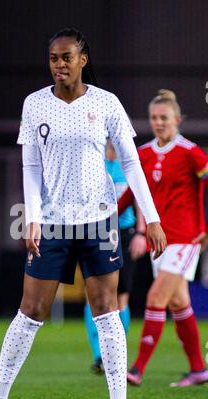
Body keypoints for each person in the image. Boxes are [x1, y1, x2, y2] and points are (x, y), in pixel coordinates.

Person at [0, 28, 166, 399]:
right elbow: (30, 166)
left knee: (107, 309)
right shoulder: (34, 105)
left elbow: (132, 164)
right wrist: (31, 217)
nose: (59, 65)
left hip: (100, 222)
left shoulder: (106, 103)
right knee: (30, 312)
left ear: (83, 60)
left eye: (66, 57)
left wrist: (152, 218)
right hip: (51, 224)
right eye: (53, 58)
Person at [118, 89, 208, 387]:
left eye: (164, 118)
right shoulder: (144, 154)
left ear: (177, 119)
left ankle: (137, 369)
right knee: (177, 303)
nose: (159, 123)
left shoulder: (190, 152)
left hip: (186, 239)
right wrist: (108, 215)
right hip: (158, 241)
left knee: (156, 297)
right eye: (154, 118)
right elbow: (133, 191)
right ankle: (199, 369)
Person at [85, 140, 147, 374]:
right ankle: (99, 355)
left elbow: (139, 200)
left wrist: (141, 232)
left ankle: (117, 352)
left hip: (126, 233)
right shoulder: (94, 164)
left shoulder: (129, 165)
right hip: (99, 232)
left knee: (121, 296)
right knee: (94, 293)